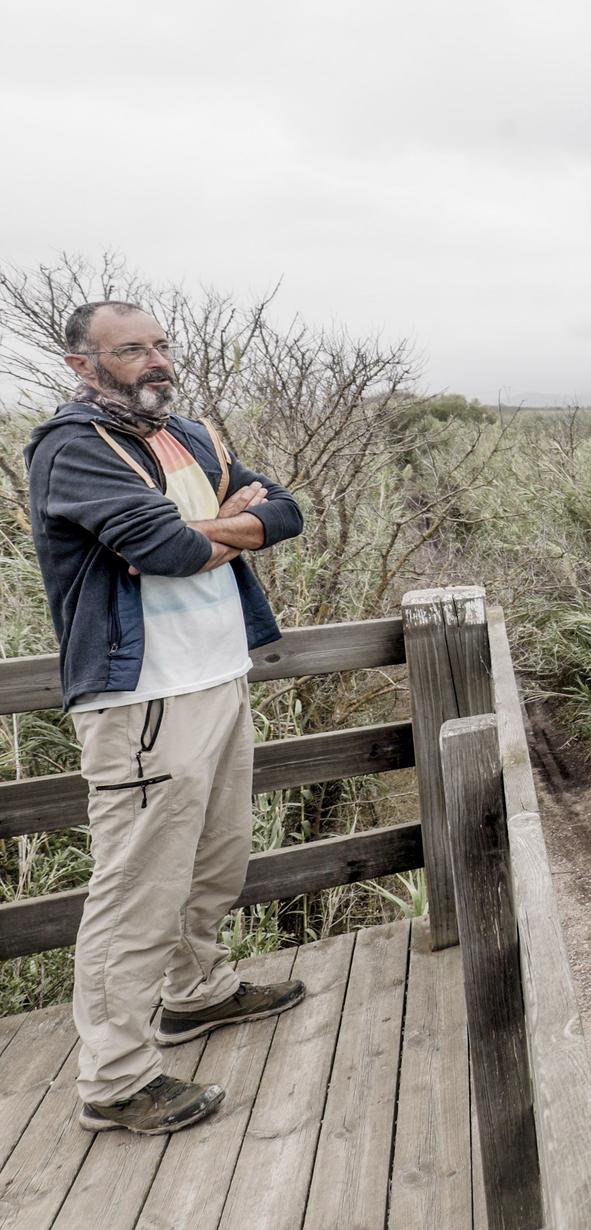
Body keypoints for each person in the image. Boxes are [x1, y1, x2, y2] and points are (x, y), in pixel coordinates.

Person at [24, 301, 308, 1135]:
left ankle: (195, 995)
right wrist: (225, 526)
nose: (155, 361)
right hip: (143, 697)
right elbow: (166, 551)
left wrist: (212, 530)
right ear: (84, 364)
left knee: (217, 858)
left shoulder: (191, 433)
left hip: (218, 676)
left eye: (160, 345)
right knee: (138, 889)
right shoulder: (73, 448)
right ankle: (114, 1079)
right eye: (130, 350)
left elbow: (283, 509)